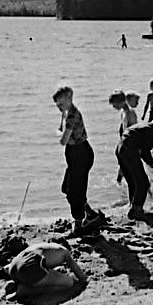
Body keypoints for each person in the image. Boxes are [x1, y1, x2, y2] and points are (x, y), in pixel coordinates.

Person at [53, 86, 97, 235]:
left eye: (61, 104)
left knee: (75, 190)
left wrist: (60, 135)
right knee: (67, 188)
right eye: (57, 105)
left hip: (80, 153)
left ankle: (78, 223)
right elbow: (62, 132)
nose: (59, 107)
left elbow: (63, 140)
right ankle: (89, 214)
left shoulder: (72, 115)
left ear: (69, 99)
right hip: (75, 154)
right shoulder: (66, 114)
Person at [116, 117, 153, 220]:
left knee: (132, 182)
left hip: (120, 149)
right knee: (143, 183)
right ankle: (137, 210)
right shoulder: (150, 132)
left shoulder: (142, 126)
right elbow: (145, 153)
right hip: (130, 151)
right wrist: (152, 163)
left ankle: (132, 206)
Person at [4, 239, 87, 301]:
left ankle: (19, 281)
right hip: (29, 269)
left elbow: (7, 267)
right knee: (69, 283)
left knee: (34, 272)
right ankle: (25, 291)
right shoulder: (64, 251)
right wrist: (83, 280)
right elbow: (74, 267)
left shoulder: (40, 246)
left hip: (13, 267)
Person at [109, 90, 138, 183]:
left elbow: (133, 132)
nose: (114, 107)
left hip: (129, 146)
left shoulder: (129, 113)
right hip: (125, 145)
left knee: (133, 170)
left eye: (114, 104)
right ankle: (119, 184)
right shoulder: (124, 112)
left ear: (121, 102)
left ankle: (120, 184)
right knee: (123, 167)